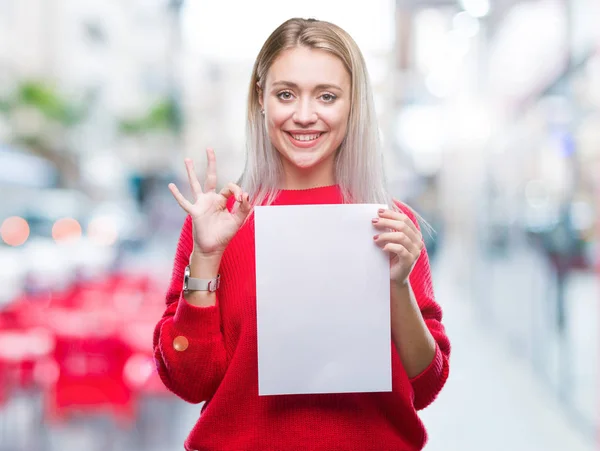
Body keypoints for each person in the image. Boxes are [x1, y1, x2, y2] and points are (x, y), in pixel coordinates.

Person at [153, 17, 450, 451]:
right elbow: (189, 381)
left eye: (326, 96)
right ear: (261, 99)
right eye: (286, 94)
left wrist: (398, 284)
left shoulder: (391, 222)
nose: (304, 115)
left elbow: (426, 385)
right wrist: (206, 256)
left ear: (353, 104)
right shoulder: (218, 221)